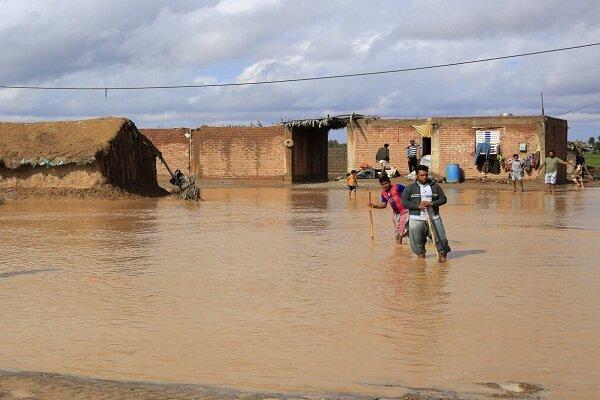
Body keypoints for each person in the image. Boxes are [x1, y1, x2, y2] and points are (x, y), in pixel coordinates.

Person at [401, 165, 451, 262]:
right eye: (422, 175)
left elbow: (444, 199)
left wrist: (431, 203)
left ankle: (442, 263)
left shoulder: (435, 186)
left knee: (441, 241)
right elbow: (404, 202)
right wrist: (417, 206)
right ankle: (421, 265)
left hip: (434, 218)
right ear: (416, 175)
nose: (424, 177)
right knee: (418, 244)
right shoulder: (409, 188)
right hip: (416, 219)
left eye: (426, 175)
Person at [369, 175, 408, 245]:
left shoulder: (397, 187)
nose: (385, 185)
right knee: (397, 233)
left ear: (390, 182)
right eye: (382, 184)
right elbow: (383, 205)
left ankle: (412, 234)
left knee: (402, 230)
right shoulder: (383, 194)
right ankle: (399, 248)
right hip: (396, 214)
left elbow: (408, 192)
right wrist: (374, 206)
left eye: (386, 183)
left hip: (405, 211)